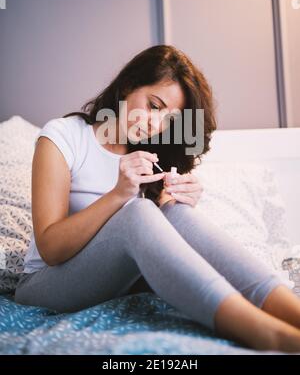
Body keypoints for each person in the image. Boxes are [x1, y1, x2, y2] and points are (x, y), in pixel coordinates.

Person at [14, 45, 300, 352]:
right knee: (136, 213)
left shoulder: (152, 158)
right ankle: (264, 333)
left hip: (115, 282)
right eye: (153, 105)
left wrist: (170, 204)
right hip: (46, 283)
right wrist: (118, 195)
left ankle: (293, 312)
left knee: (178, 214)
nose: (156, 124)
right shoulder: (64, 136)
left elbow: (140, 244)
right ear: (127, 87)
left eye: (169, 119)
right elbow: (51, 248)